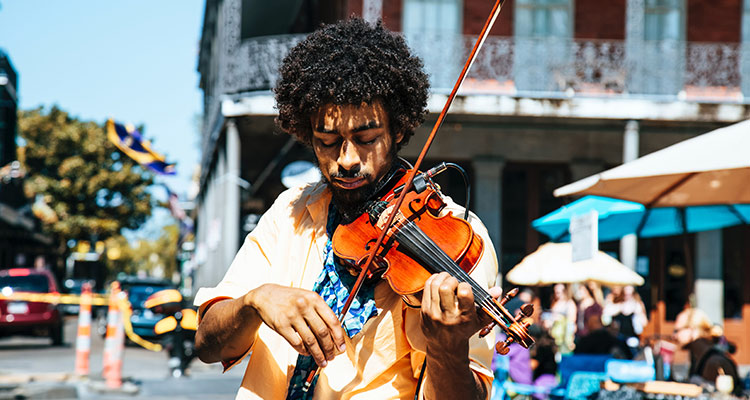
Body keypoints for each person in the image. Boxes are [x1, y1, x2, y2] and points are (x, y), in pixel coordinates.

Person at [194, 18, 501, 400]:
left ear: (400, 130)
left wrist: (447, 350)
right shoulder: (289, 211)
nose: (347, 160)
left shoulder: (457, 234)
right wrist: (256, 300)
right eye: (327, 141)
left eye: (367, 138)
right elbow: (208, 343)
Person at [673, 307, 742, 395]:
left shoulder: (714, 362)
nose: (674, 336)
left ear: (692, 330)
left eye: (676, 331)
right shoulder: (698, 357)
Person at [602, 285, 647, 355]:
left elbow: (644, 323)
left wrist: (639, 313)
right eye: (625, 294)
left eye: (630, 294)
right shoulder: (617, 304)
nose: (627, 296)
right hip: (618, 339)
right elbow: (605, 316)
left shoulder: (637, 305)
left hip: (632, 339)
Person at [544, 283, 576, 354]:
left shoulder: (569, 303)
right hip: (554, 336)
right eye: (555, 292)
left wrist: (570, 340)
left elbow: (571, 322)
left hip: (564, 337)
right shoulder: (555, 303)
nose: (557, 294)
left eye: (558, 292)